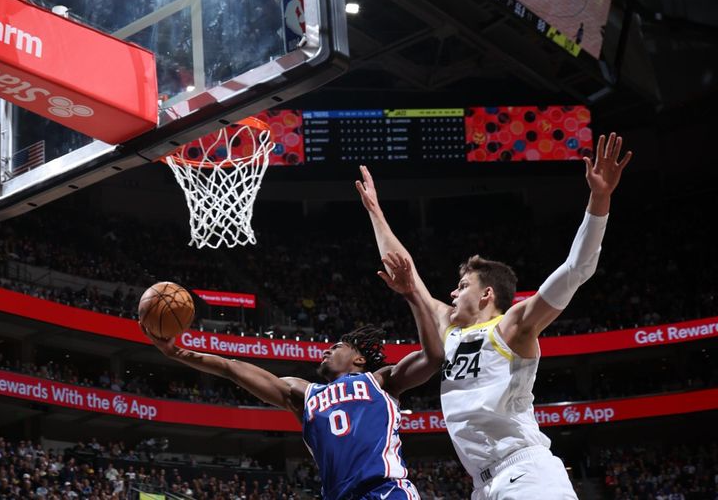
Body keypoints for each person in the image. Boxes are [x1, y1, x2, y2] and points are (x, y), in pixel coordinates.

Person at [356, 133, 632, 499]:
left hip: (527, 472)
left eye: (461, 285)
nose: (452, 293)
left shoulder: (512, 326)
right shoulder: (449, 329)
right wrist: (375, 212)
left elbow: (576, 269)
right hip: (483, 485)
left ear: (487, 294)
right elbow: (406, 271)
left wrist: (600, 198)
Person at [140, 252, 443, 500]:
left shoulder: (381, 381)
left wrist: (414, 296)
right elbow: (231, 367)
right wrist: (177, 353)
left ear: (359, 358)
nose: (326, 351)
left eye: (336, 346)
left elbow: (433, 356)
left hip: (385, 490)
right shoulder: (305, 394)